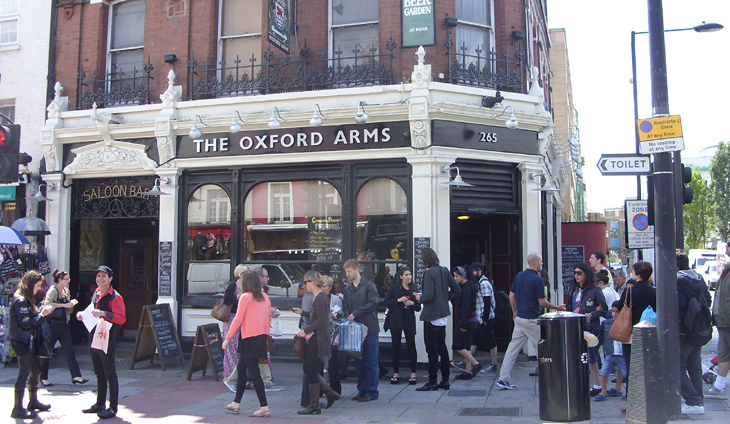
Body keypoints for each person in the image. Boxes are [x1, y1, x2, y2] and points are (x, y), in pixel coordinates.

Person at [496, 253, 566, 390]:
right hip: (532, 319)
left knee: (512, 350)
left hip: (520, 318)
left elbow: (511, 296)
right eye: (541, 261)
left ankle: (503, 378)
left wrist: (515, 311)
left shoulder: (519, 276)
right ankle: (554, 379)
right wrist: (557, 307)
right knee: (546, 348)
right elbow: (542, 302)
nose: (542, 264)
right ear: (536, 263)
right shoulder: (538, 280)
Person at [77, 265, 126, 419]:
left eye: (103, 276)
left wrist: (104, 313)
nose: (100, 279)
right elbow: (92, 310)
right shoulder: (96, 293)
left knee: (110, 373)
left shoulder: (115, 297)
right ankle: (100, 403)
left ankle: (113, 407)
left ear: (110, 279)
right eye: (98, 276)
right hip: (94, 336)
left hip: (107, 339)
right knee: (99, 372)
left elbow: (121, 318)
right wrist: (83, 315)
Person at [222, 270, 271, 418]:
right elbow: (268, 318)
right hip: (261, 337)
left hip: (248, 337)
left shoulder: (245, 297)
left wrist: (227, 338)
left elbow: (237, 319)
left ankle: (264, 406)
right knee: (242, 368)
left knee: (255, 373)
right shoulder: (266, 297)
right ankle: (236, 403)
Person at [9, 271, 54, 419]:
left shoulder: (27, 299)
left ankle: (33, 401)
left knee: (36, 369)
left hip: (29, 340)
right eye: (37, 286)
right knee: (25, 371)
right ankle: (17, 407)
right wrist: (42, 315)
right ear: (30, 285)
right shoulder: (20, 300)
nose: (38, 289)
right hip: (22, 340)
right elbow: (26, 323)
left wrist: (40, 312)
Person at [415, 248, 460, 391]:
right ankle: (445, 380)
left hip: (431, 315)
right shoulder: (444, 270)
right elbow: (456, 289)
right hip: (442, 315)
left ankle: (432, 380)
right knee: (443, 348)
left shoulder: (429, 273)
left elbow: (427, 296)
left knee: (431, 350)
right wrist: (443, 298)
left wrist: (419, 298)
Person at [297, 270, 340, 414]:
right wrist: (302, 313)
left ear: (313, 282)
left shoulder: (320, 298)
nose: (305, 285)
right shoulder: (318, 297)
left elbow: (322, 320)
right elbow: (318, 317)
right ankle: (325, 395)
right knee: (311, 369)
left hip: (319, 338)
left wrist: (306, 330)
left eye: (306, 282)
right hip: (316, 337)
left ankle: (318, 400)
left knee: (310, 368)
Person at [676, 249, 711, 415]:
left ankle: (693, 400)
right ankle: (698, 401)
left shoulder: (677, 279)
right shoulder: (698, 277)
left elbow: (678, 306)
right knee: (694, 365)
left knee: (677, 365)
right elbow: (707, 299)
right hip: (698, 327)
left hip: (684, 330)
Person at [39, 269, 88, 387]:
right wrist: (63, 304)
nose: (69, 281)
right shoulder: (53, 290)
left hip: (64, 324)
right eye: (66, 279)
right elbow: (47, 304)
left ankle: (76, 376)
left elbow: (68, 310)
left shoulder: (66, 291)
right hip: (53, 324)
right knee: (47, 351)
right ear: (59, 280)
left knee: (69, 350)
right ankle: (43, 377)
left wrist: (71, 305)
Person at [342, 258, 380, 402]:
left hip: (369, 329)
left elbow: (373, 303)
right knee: (359, 361)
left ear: (357, 270)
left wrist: (355, 313)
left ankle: (372, 391)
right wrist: (347, 316)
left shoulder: (369, 285)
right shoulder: (347, 289)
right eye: (346, 272)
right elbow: (345, 305)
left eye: (349, 271)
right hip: (355, 330)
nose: (347, 274)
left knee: (371, 361)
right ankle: (362, 390)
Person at [617, 260, 656, 397]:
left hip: (630, 332)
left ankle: (632, 398)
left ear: (637, 274)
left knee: (631, 366)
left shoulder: (630, 290)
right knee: (647, 366)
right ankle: (648, 396)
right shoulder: (653, 291)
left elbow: (621, 306)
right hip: (648, 332)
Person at [571, 262, 607, 396]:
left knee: (591, 355)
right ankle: (580, 383)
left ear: (586, 274)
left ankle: (597, 384)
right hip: (576, 325)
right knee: (578, 355)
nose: (576, 276)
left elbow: (603, 308)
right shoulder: (575, 290)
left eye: (579, 273)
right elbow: (572, 306)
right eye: (575, 273)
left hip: (590, 327)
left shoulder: (594, 289)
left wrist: (592, 314)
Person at [383, 266, 420, 384]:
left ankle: (413, 373)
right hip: (396, 319)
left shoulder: (413, 289)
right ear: (401, 277)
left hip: (408, 319)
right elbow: (387, 301)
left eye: (410, 274)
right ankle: (396, 373)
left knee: (411, 345)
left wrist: (412, 303)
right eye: (406, 275)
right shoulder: (394, 287)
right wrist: (398, 300)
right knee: (395, 346)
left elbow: (418, 307)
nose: (409, 277)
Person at [705, 240, 730, 400]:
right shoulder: (727, 268)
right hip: (723, 320)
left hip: (726, 319)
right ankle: (719, 386)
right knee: (724, 353)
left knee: (725, 353)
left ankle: (720, 386)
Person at [222, 264, 248, 392]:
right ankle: (229, 375)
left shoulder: (248, 286)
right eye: (247, 272)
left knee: (239, 347)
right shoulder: (233, 286)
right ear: (241, 274)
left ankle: (237, 375)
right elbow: (226, 300)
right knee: (231, 347)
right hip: (232, 318)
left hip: (243, 319)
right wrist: (238, 297)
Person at [594, 301, 627, 401]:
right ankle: (603, 391)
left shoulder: (625, 323)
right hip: (610, 351)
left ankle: (619, 388)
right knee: (604, 372)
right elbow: (601, 336)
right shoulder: (607, 323)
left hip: (621, 352)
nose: (614, 314)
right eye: (613, 311)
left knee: (624, 372)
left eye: (616, 312)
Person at [452, 266, 481, 379]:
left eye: (456, 276)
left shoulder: (467, 287)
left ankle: (476, 364)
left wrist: (463, 322)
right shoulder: (467, 286)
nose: (455, 279)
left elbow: (466, 305)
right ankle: (468, 372)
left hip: (468, 320)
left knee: (458, 345)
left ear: (463, 276)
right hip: (471, 319)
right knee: (467, 346)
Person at [472, 262, 498, 372]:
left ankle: (494, 363)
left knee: (490, 340)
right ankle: (468, 359)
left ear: (479, 271)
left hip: (485, 317)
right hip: (479, 317)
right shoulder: (479, 283)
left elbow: (487, 301)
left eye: (474, 271)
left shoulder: (484, 283)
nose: (472, 273)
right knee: (474, 339)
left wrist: (485, 318)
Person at [322, 275, 343, 394]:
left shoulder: (335, 299)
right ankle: (321, 390)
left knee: (332, 363)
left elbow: (340, 315)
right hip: (321, 333)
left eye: (324, 286)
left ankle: (335, 389)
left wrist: (331, 319)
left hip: (332, 334)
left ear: (330, 288)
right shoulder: (317, 297)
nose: (322, 288)